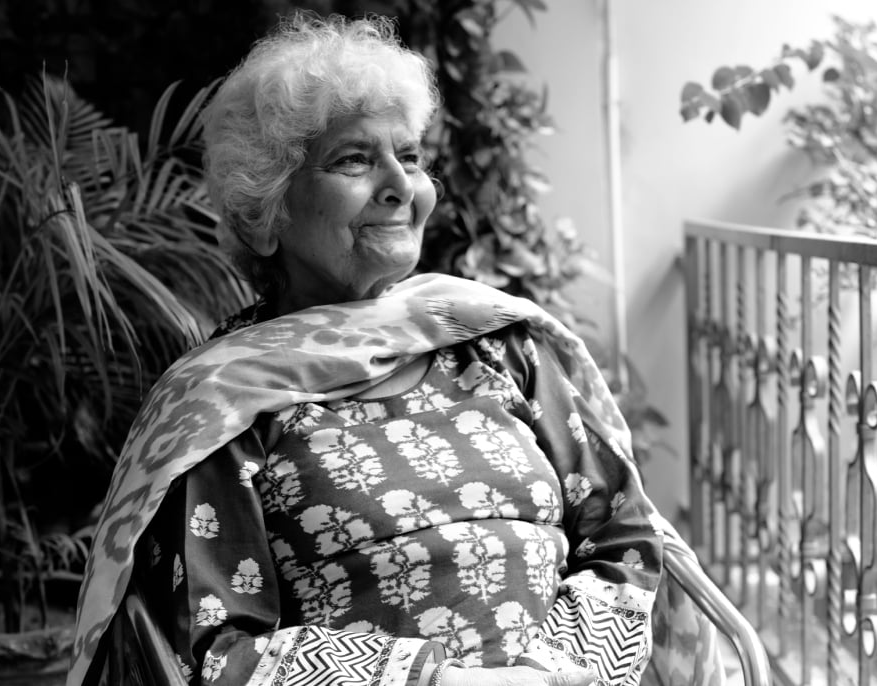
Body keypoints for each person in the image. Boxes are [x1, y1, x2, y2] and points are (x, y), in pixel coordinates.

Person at [68, 14, 677, 686]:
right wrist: (433, 682)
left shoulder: (499, 345)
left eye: (411, 156)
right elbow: (214, 651)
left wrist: (555, 674)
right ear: (266, 211)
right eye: (354, 159)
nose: (400, 185)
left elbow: (621, 540)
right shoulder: (222, 407)